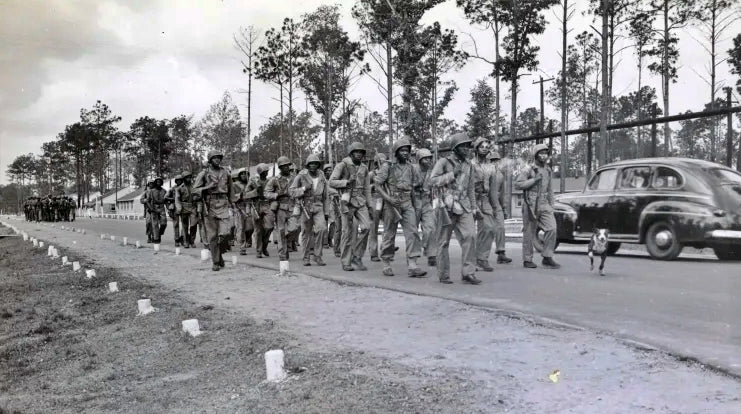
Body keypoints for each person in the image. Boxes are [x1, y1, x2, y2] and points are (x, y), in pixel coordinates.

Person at [430, 132, 481, 285]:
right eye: (463, 146)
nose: (467, 149)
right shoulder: (443, 162)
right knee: (443, 241)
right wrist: (452, 174)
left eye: (468, 146)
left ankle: (468, 273)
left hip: (464, 204)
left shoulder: (469, 165)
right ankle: (443, 274)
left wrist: (473, 207)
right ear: (455, 148)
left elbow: (471, 188)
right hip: (445, 205)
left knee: (471, 236)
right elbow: (432, 181)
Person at [374, 138, 426, 277]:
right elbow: (378, 184)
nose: (405, 153)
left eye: (407, 151)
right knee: (389, 234)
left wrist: (415, 204)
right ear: (396, 152)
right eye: (402, 150)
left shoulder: (411, 167)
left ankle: (413, 265)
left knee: (413, 232)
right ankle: (386, 262)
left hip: (407, 201)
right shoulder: (388, 166)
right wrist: (389, 199)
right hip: (392, 204)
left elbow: (417, 184)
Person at [514, 143, 560, 269]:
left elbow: (550, 189)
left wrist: (552, 205)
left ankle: (547, 256)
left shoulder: (548, 170)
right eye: (541, 153)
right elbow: (518, 184)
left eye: (546, 153)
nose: (544, 156)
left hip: (544, 203)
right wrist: (534, 180)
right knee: (529, 232)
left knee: (552, 228)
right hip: (531, 203)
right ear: (536, 155)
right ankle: (527, 259)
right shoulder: (528, 169)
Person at [329, 142, 372, 272]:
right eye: (356, 152)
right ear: (351, 153)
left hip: (360, 200)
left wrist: (370, 205)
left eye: (361, 152)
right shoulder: (342, 165)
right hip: (346, 200)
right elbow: (331, 182)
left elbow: (367, 188)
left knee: (366, 228)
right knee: (346, 232)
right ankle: (346, 261)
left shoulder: (364, 168)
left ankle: (357, 256)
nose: (359, 154)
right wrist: (346, 182)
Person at [192, 151, 233, 271]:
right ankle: (216, 261)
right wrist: (207, 188)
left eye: (219, 158)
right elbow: (194, 191)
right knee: (213, 236)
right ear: (210, 160)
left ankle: (219, 255)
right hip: (209, 205)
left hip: (224, 203)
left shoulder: (226, 172)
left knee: (226, 234)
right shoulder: (204, 174)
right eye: (214, 158)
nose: (217, 160)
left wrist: (233, 204)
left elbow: (230, 189)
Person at [289, 154, 329, 266]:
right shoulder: (301, 175)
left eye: (315, 163)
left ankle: (317, 256)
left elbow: (326, 195)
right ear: (307, 165)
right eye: (311, 163)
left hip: (319, 205)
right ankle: (306, 257)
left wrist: (326, 212)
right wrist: (303, 188)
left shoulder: (322, 175)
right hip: (305, 206)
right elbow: (291, 192)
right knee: (306, 232)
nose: (313, 165)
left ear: (318, 165)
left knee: (322, 229)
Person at [472, 138, 497, 272]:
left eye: (487, 147)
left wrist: (497, 207)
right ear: (476, 148)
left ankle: (482, 259)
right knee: (468, 232)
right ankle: (470, 261)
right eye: (482, 146)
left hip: (485, 199)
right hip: (470, 199)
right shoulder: (469, 164)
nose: (485, 148)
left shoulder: (491, 167)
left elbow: (493, 188)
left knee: (489, 228)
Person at [265, 156, 296, 262]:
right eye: (283, 166)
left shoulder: (295, 178)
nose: (286, 168)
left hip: (293, 206)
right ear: (280, 168)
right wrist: (276, 194)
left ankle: (285, 244)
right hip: (281, 208)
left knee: (295, 228)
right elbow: (266, 193)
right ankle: (282, 254)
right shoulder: (275, 180)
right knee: (281, 231)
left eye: (287, 165)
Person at [413, 148, 437, 266]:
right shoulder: (412, 170)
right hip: (414, 202)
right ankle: (412, 257)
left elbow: (434, 189)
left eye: (429, 158)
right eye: (425, 158)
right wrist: (415, 185)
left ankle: (431, 254)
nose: (428, 160)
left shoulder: (431, 172)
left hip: (426, 202)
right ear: (419, 159)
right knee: (412, 230)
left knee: (431, 227)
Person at [488, 150, 512, 264]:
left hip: (496, 204)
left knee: (500, 227)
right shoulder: (482, 173)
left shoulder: (501, 175)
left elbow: (503, 194)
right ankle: (478, 256)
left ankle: (501, 253)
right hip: (484, 203)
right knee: (485, 230)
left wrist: (504, 208)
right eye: (492, 161)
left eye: (497, 160)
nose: (495, 163)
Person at [245, 163, 273, 258]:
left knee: (269, 227)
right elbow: (246, 194)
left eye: (267, 171)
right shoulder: (253, 181)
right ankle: (259, 250)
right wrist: (256, 191)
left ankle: (264, 246)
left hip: (267, 204)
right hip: (256, 205)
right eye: (264, 172)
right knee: (258, 230)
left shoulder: (270, 181)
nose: (266, 173)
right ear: (260, 172)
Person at [368, 153, 387, 262]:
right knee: (373, 228)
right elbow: (365, 187)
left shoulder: (387, 174)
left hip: (386, 200)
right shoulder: (371, 174)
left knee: (388, 226)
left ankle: (386, 248)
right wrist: (373, 186)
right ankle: (373, 252)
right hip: (375, 200)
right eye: (381, 162)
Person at [231, 167, 254, 256]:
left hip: (249, 206)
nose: (244, 175)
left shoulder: (250, 183)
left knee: (250, 228)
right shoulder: (235, 185)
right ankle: (242, 247)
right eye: (242, 174)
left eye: (246, 174)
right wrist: (239, 195)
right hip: (239, 207)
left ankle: (246, 240)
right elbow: (231, 196)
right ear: (239, 175)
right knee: (241, 228)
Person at [175, 171, 198, 248]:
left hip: (193, 207)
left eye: (189, 177)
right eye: (187, 177)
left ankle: (192, 241)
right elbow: (177, 199)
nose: (189, 179)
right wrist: (179, 208)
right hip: (184, 207)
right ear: (184, 178)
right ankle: (186, 241)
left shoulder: (194, 186)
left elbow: (198, 195)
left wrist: (197, 198)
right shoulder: (179, 188)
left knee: (193, 225)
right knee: (185, 226)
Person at [324, 163, 342, 257]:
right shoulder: (324, 180)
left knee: (333, 223)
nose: (329, 172)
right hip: (326, 202)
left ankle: (329, 239)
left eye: (331, 171)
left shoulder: (335, 180)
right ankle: (324, 241)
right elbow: (327, 190)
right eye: (327, 171)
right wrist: (337, 192)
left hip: (334, 202)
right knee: (324, 223)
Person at [146, 177, 168, 244]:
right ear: (155, 183)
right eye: (157, 182)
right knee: (155, 224)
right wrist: (151, 208)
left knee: (164, 223)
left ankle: (159, 234)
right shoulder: (151, 191)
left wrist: (169, 209)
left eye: (160, 182)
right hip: (154, 208)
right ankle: (156, 239)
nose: (159, 183)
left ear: (162, 183)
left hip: (161, 207)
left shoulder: (164, 191)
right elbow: (147, 201)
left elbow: (166, 201)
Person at [166, 174, 183, 246]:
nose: (179, 181)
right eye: (178, 180)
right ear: (176, 181)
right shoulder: (172, 188)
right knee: (176, 224)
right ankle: (176, 239)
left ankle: (183, 238)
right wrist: (173, 199)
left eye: (180, 180)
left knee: (185, 224)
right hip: (175, 207)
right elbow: (166, 197)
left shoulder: (184, 187)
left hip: (184, 206)